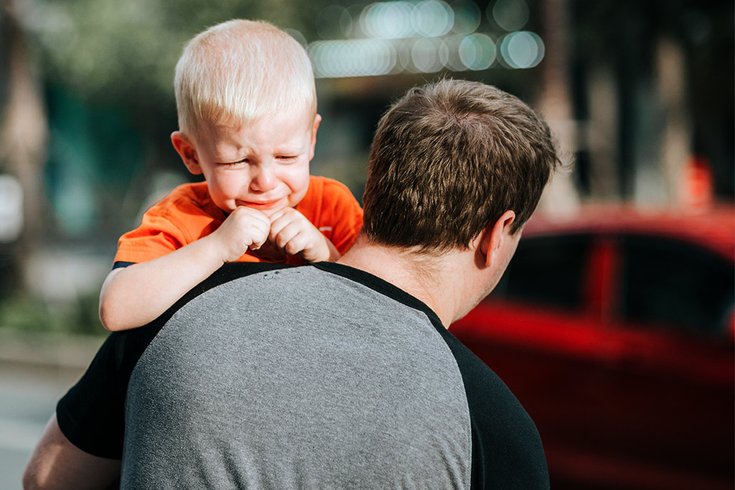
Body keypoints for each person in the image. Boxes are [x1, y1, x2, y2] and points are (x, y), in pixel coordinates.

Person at [24, 78, 561, 489]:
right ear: (497, 234)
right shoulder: (495, 427)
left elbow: (47, 478)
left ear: (375, 188)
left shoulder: (174, 312)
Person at [98, 19, 363, 332]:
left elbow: (380, 308)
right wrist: (215, 247)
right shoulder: (182, 217)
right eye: (237, 161)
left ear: (312, 139)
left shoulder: (332, 207)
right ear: (190, 154)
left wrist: (326, 254)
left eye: (285, 156)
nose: (265, 181)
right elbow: (116, 310)